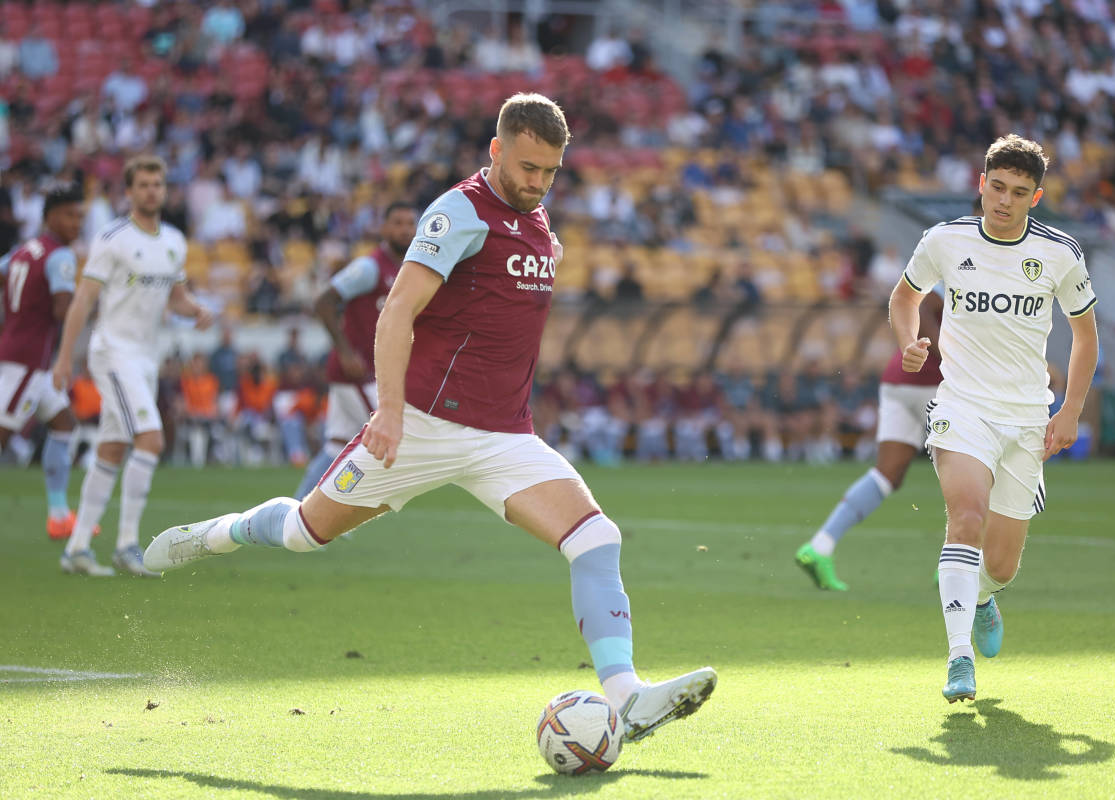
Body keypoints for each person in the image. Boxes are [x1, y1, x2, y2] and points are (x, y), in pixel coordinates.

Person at [144, 93, 716, 740]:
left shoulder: (536, 219)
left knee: (596, 539)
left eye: (550, 172)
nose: (537, 182)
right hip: (422, 427)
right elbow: (396, 311)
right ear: (496, 150)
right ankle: (217, 534)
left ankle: (628, 698)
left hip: (504, 437)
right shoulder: (458, 212)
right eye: (527, 167)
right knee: (306, 532)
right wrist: (388, 411)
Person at [889, 134, 1098, 703]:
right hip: (962, 406)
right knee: (965, 518)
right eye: (997, 187)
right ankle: (959, 659)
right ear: (981, 184)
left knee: (1002, 566)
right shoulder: (945, 240)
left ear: (1036, 197)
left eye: (1019, 192)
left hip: (1027, 417)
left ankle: (982, 596)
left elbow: (1085, 336)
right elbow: (904, 298)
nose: (1004, 200)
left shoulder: (1060, 253)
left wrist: (1070, 409)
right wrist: (910, 342)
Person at [51, 155, 213, 577]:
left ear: (165, 189)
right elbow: (83, 300)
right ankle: (126, 544)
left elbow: (176, 298)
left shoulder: (174, 241)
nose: (151, 191)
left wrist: (196, 310)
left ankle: (77, 548)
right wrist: (65, 357)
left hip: (145, 357)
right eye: (143, 185)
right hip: (113, 350)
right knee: (151, 439)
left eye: (157, 184)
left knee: (112, 446)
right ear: (129, 191)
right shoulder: (113, 239)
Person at [796, 289, 943, 591]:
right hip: (936, 384)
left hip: (899, 380)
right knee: (966, 475)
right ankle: (956, 567)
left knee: (886, 475)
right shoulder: (967, 265)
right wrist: (957, 361)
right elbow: (925, 308)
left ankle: (820, 546)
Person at [294, 202, 415, 498]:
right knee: (387, 435)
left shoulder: (406, 269)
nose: (405, 229)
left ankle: (300, 508)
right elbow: (324, 301)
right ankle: (338, 502)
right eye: (398, 223)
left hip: (368, 371)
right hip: (356, 371)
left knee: (336, 447)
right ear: (384, 228)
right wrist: (346, 352)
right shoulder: (370, 267)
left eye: (410, 223)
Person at [0, 183, 88, 539]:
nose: (75, 223)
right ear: (49, 217)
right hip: (27, 361)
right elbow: (63, 310)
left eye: (79, 216)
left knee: (64, 423)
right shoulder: (60, 256)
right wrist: (91, 304)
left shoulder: (24, 250)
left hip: (24, 355)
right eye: (68, 215)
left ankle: (59, 515)